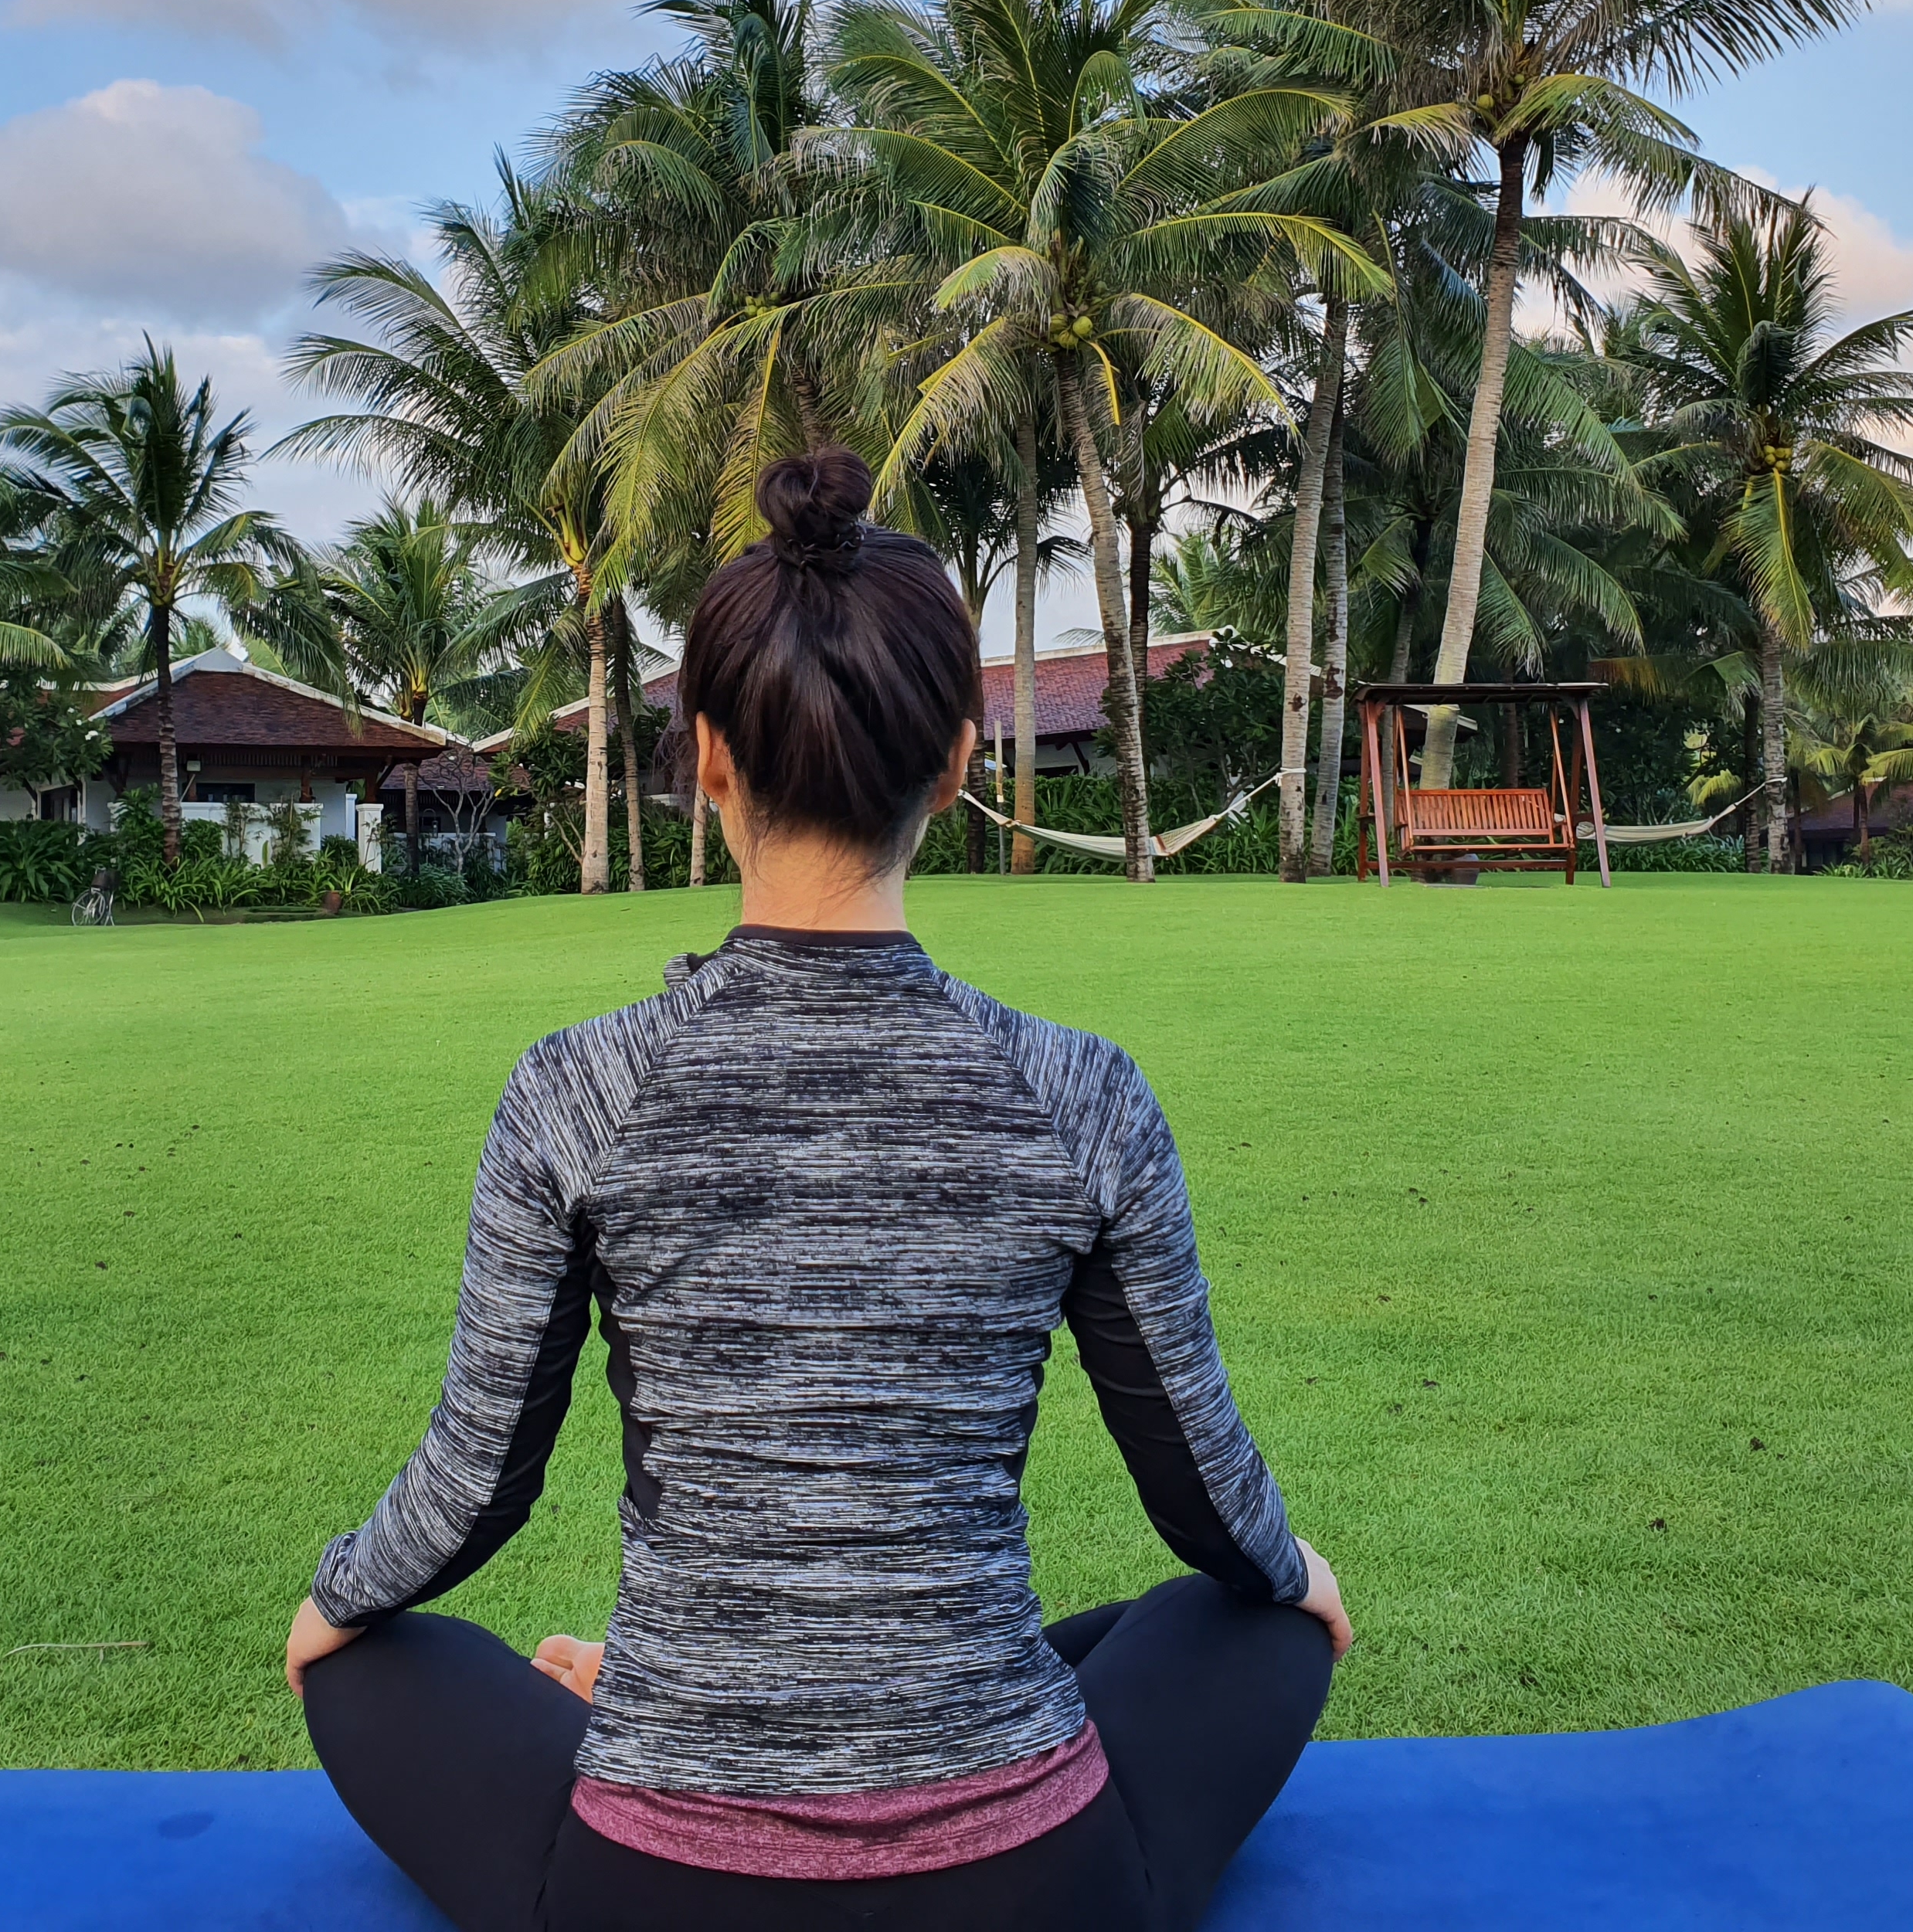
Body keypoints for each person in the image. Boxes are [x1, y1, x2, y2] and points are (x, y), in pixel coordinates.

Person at [286, 449, 1350, 1932]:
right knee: (1255, 1626)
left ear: (706, 754)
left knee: (377, 1660)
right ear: (965, 757)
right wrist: (1299, 1572)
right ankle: (911, 1710)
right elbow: (1202, 1493)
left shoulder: (582, 1088)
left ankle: (652, 1690)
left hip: (659, 1890)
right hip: (1031, 1890)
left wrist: (335, 1601)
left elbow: (473, 1487)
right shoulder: (1080, 1092)